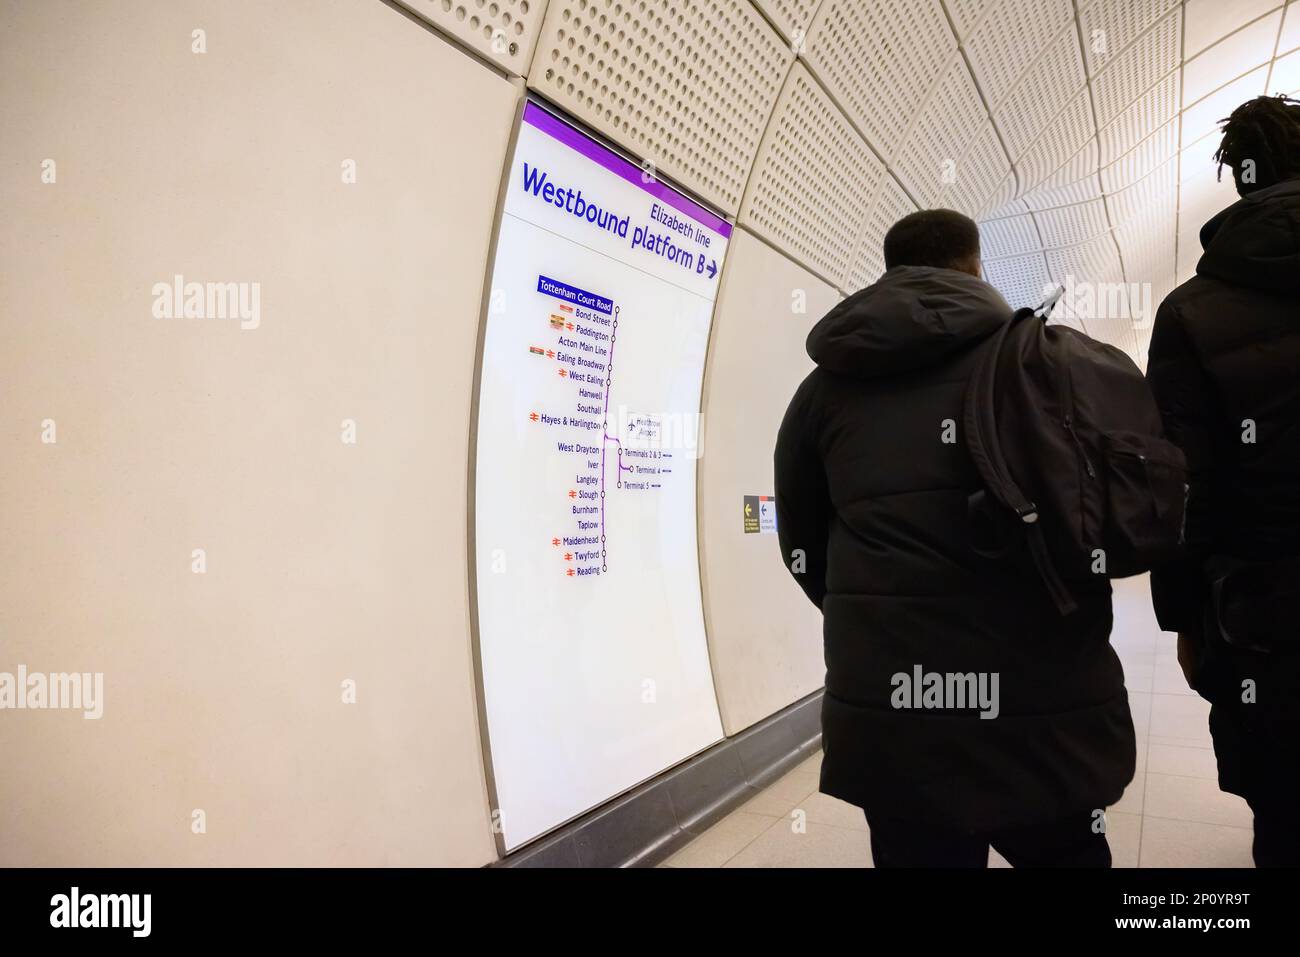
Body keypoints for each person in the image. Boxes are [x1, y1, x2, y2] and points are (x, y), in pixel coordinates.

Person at [774, 209, 1135, 867]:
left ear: (888, 271)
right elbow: (1105, 518)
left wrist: (881, 609)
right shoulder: (1046, 363)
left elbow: (802, 548)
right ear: (975, 266)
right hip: (1044, 703)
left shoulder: (822, 392)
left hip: (897, 714)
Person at [1146, 94, 1300, 867]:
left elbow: (1181, 486)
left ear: (1238, 179)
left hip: (1261, 618)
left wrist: (1184, 622)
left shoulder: (1190, 311)